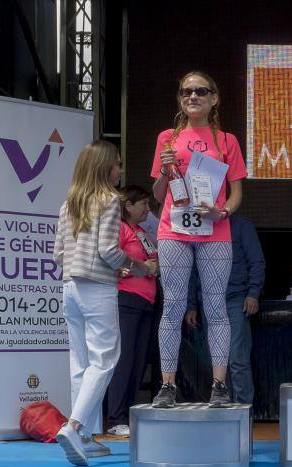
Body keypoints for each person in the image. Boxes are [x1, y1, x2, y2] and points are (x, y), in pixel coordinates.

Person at [53, 141, 158, 466]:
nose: (121, 170)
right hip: (97, 288)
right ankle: (73, 427)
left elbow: (58, 254)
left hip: (70, 286)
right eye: (117, 164)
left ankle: (83, 435)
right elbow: (108, 251)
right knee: (105, 360)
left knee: (80, 363)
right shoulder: (109, 201)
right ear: (104, 168)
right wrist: (141, 267)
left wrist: (113, 264)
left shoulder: (69, 203)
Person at [150, 71, 247, 408]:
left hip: (214, 231)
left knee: (216, 306)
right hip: (173, 229)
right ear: (180, 98)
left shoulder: (227, 141)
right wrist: (164, 171)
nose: (193, 97)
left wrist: (223, 212)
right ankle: (167, 385)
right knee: (173, 306)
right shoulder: (167, 138)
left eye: (201, 91)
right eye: (186, 92)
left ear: (214, 98)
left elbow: (236, 193)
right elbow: (158, 194)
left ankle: (219, 385)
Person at [186, 214, 265, 404]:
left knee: (237, 359)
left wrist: (253, 293)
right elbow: (192, 268)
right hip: (207, 301)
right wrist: (191, 305)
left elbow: (256, 261)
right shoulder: (200, 226)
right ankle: (225, 409)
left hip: (235, 298)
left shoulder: (241, 226)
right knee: (218, 361)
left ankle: (244, 410)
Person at [106, 185, 159, 437]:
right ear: (128, 206)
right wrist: (128, 269)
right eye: (144, 204)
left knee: (138, 361)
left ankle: (127, 414)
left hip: (146, 301)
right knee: (124, 359)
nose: (148, 209)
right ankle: (115, 416)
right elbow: (108, 257)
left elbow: (150, 262)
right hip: (126, 299)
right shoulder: (120, 228)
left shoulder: (141, 231)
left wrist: (153, 267)